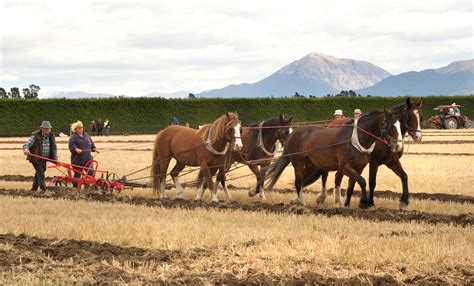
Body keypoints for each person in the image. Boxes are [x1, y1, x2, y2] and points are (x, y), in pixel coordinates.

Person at [23, 121, 58, 192]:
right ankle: (44, 190)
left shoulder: (51, 136)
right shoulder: (35, 136)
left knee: (39, 173)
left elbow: (54, 147)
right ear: (42, 128)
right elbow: (26, 145)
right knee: (41, 174)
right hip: (36, 158)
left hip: (44, 159)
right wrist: (26, 150)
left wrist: (55, 159)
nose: (47, 130)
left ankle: (34, 189)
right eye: (45, 128)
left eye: (48, 128)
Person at [69, 121, 97, 187]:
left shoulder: (86, 135)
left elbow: (91, 143)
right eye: (79, 128)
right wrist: (76, 149)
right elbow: (71, 145)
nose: (81, 129)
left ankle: (87, 187)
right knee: (78, 174)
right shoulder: (73, 137)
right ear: (75, 129)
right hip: (77, 160)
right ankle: (75, 187)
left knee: (90, 173)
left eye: (82, 127)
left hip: (88, 159)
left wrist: (94, 148)